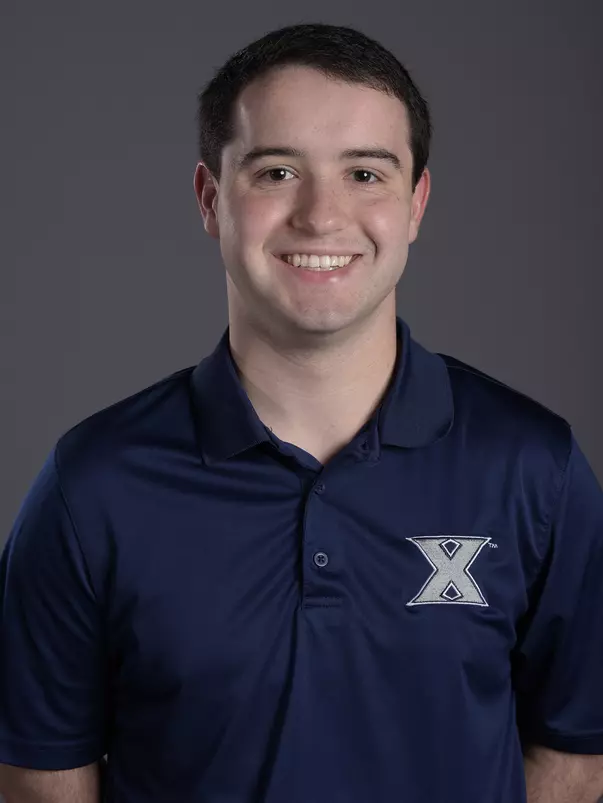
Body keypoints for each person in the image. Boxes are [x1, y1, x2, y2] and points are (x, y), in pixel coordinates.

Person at [1, 21, 602, 803]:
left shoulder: (533, 467)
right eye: (277, 170)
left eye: (365, 174)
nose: (321, 216)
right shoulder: (93, 486)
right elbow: (38, 782)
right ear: (211, 200)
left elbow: (579, 756)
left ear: (415, 203)